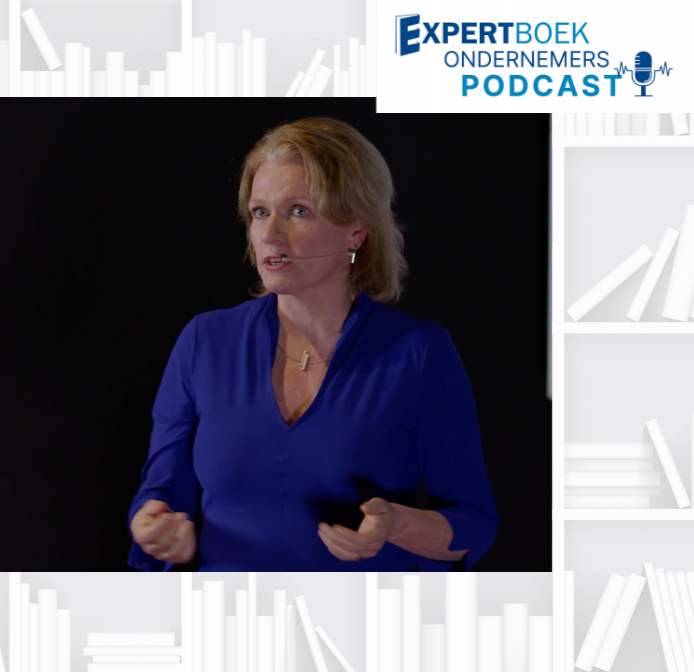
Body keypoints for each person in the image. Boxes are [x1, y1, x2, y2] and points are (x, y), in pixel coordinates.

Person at [126, 117, 498, 571]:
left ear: (356, 231)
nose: (270, 234)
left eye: (299, 211)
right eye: (260, 212)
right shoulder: (205, 341)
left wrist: (396, 524)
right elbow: (163, 490)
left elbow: (473, 524)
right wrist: (153, 525)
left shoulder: (419, 354)